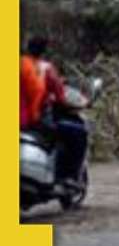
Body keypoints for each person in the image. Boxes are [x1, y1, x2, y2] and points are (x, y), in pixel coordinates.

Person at [24, 37, 88, 183]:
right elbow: (60, 96)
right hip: (37, 121)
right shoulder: (45, 68)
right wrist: (75, 104)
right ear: (44, 51)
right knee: (78, 133)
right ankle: (68, 177)